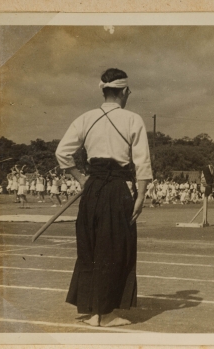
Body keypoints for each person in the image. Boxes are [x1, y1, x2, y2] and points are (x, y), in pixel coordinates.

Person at [55, 68, 152, 327]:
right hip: (118, 189)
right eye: (128, 91)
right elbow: (142, 161)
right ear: (123, 91)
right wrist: (141, 195)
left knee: (91, 247)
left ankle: (92, 311)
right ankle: (106, 314)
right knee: (116, 248)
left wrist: (80, 178)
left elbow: (62, 152)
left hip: (92, 188)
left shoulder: (85, 118)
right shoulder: (133, 119)